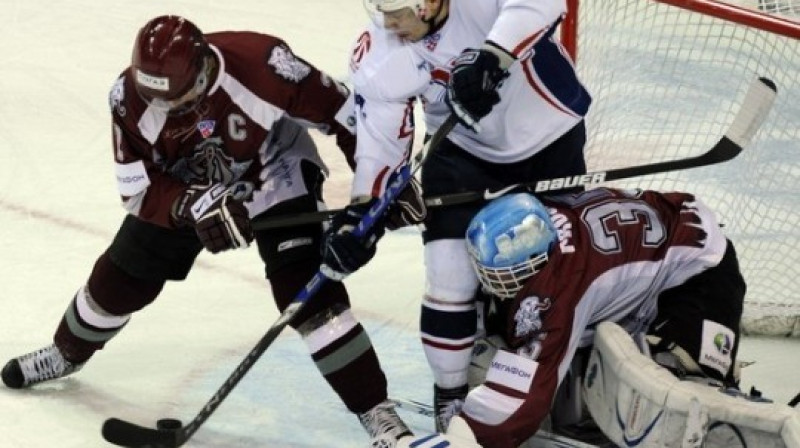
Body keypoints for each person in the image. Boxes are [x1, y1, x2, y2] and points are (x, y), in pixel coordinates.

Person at [1, 15, 413, 447]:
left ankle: (377, 413)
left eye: (176, 102)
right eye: (154, 99)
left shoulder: (264, 65)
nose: (165, 111)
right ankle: (66, 353)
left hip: (274, 170)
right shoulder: (127, 98)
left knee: (307, 291)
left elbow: (350, 117)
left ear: (201, 73)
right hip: (188, 184)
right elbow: (137, 189)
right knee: (121, 277)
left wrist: (382, 186)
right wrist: (192, 203)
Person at [318, 0, 592, 434]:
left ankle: (562, 382)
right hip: (462, 153)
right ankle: (450, 398)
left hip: (549, 138)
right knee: (449, 278)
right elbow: (381, 140)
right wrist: (363, 211)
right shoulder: (381, 50)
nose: (386, 23)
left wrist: (493, 56)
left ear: (427, 4)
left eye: (397, 13)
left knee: (558, 271)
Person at [401, 188, 754, 447]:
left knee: (677, 392)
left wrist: (462, 437)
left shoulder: (558, 285)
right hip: (668, 231)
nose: (494, 285)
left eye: (503, 276)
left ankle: (716, 383)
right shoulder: (540, 226)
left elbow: (522, 397)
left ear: (533, 264)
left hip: (702, 269)